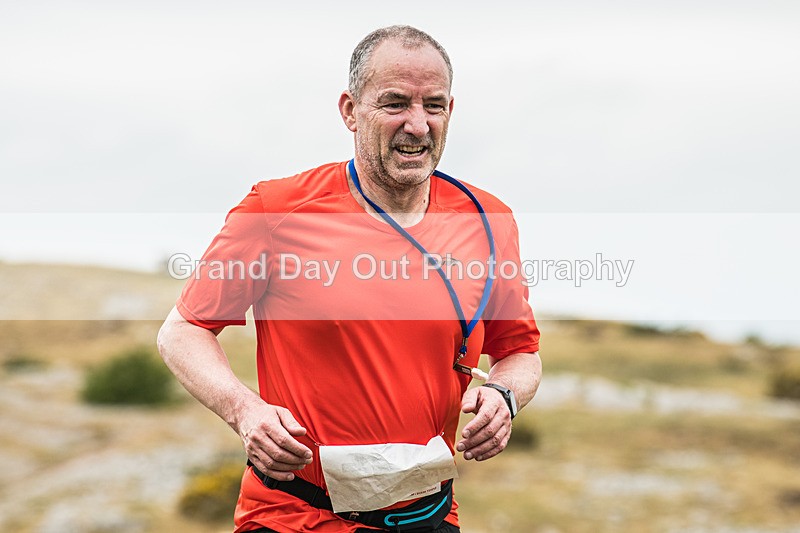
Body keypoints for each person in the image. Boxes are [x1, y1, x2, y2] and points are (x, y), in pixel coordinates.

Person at [158, 25, 542, 533]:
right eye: (395, 103)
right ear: (350, 111)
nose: (418, 125)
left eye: (434, 105)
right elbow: (183, 331)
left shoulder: (489, 221)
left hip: (428, 515)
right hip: (293, 516)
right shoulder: (276, 210)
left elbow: (520, 351)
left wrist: (504, 396)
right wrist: (245, 411)